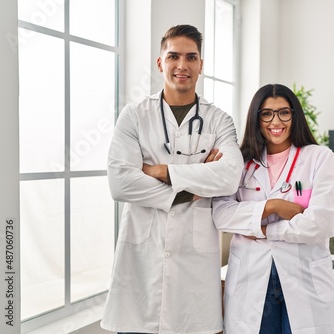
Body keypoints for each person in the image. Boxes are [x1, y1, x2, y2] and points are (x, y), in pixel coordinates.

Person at [101, 24, 243, 334]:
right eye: (173, 56)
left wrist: (163, 171)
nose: (182, 65)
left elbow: (231, 176)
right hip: (141, 263)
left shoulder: (219, 120)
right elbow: (120, 183)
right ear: (160, 62)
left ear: (201, 65)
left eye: (191, 57)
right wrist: (193, 188)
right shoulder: (134, 115)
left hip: (194, 272)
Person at [212, 84, 334, 334]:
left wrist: (263, 229)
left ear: (295, 116)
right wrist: (274, 206)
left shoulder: (320, 158)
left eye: (284, 112)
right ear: (256, 118)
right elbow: (221, 214)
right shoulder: (241, 163)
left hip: (305, 278)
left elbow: (321, 224)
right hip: (252, 278)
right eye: (267, 113)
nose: (276, 121)